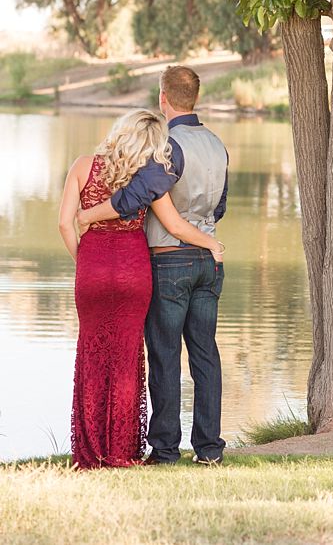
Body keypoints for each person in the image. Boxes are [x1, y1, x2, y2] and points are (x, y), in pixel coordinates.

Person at [76, 65, 231, 465]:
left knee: (164, 356)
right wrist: (206, 235)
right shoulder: (217, 145)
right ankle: (210, 449)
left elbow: (133, 198)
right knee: (205, 355)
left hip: (170, 262)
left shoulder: (167, 146)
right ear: (194, 98)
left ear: (163, 99)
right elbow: (221, 205)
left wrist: (87, 214)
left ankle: (164, 450)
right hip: (208, 260)